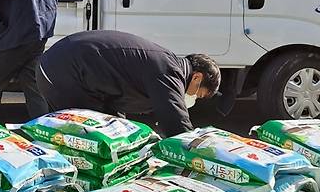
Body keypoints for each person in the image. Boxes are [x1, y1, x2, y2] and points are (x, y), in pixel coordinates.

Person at [36, 31, 221, 137]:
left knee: (107, 132)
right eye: (199, 94)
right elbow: (176, 123)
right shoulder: (170, 72)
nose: (194, 98)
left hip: (56, 66)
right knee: (87, 136)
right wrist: (196, 151)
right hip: (66, 71)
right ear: (196, 77)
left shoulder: (166, 63)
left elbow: (114, 104)